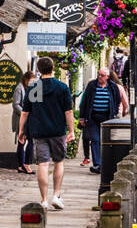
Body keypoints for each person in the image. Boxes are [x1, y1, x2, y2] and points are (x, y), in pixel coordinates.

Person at [18, 55, 75, 211]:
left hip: (39, 131)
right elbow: (68, 111)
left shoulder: (33, 88)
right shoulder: (62, 88)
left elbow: (25, 112)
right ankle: (56, 195)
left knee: (43, 164)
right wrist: (71, 130)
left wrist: (21, 130)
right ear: (53, 68)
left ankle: (43, 199)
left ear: (38, 70)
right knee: (59, 162)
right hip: (57, 130)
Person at [78, 67, 125, 173]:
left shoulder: (113, 86)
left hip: (107, 117)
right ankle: (97, 164)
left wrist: (115, 112)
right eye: (99, 74)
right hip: (93, 117)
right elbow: (84, 102)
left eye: (102, 75)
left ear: (107, 77)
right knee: (95, 140)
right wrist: (82, 117)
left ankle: (104, 163)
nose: (99, 77)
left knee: (105, 141)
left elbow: (117, 100)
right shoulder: (91, 85)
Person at [11, 67, 35, 174]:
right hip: (21, 119)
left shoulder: (32, 89)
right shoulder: (19, 88)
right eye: (31, 80)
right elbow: (15, 105)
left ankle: (22, 166)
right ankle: (25, 165)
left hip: (30, 120)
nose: (33, 82)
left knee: (29, 141)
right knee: (23, 141)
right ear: (26, 79)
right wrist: (25, 113)